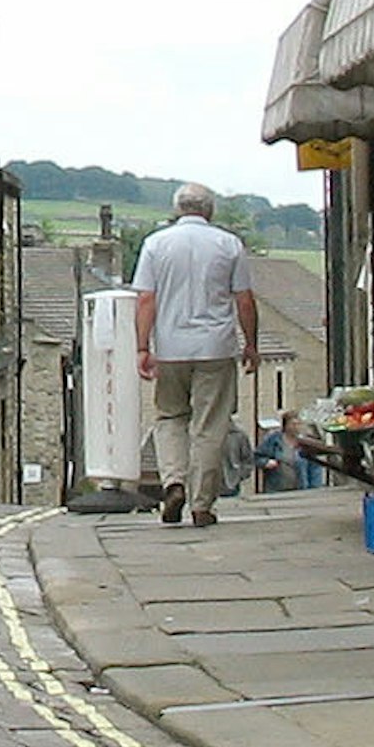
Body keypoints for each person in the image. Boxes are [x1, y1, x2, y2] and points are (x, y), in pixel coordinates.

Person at [131, 182, 257, 526]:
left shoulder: (155, 244)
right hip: (216, 347)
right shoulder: (228, 244)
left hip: (171, 347)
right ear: (209, 210)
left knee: (170, 418)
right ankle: (202, 505)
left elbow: (145, 299)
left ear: (177, 209)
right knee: (210, 425)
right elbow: (244, 300)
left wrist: (143, 346)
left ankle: (173, 483)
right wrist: (251, 344)